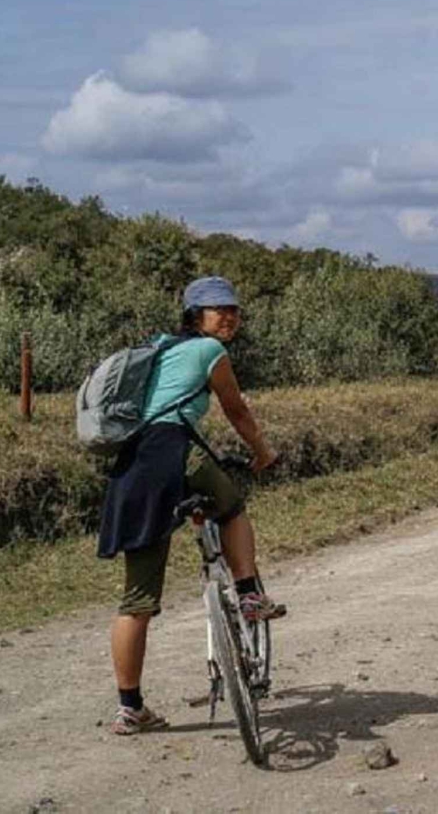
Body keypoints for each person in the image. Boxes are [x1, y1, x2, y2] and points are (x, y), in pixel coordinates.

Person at [96, 276, 281, 735]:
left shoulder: (160, 349)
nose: (230, 316)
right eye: (219, 309)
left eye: (234, 310)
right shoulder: (208, 352)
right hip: (174, 450)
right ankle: (249, 595)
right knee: (233, 508)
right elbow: (236, 411)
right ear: (195, 316)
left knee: (136, 599)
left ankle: (130, 708)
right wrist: (263, 453)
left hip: (133, 465)